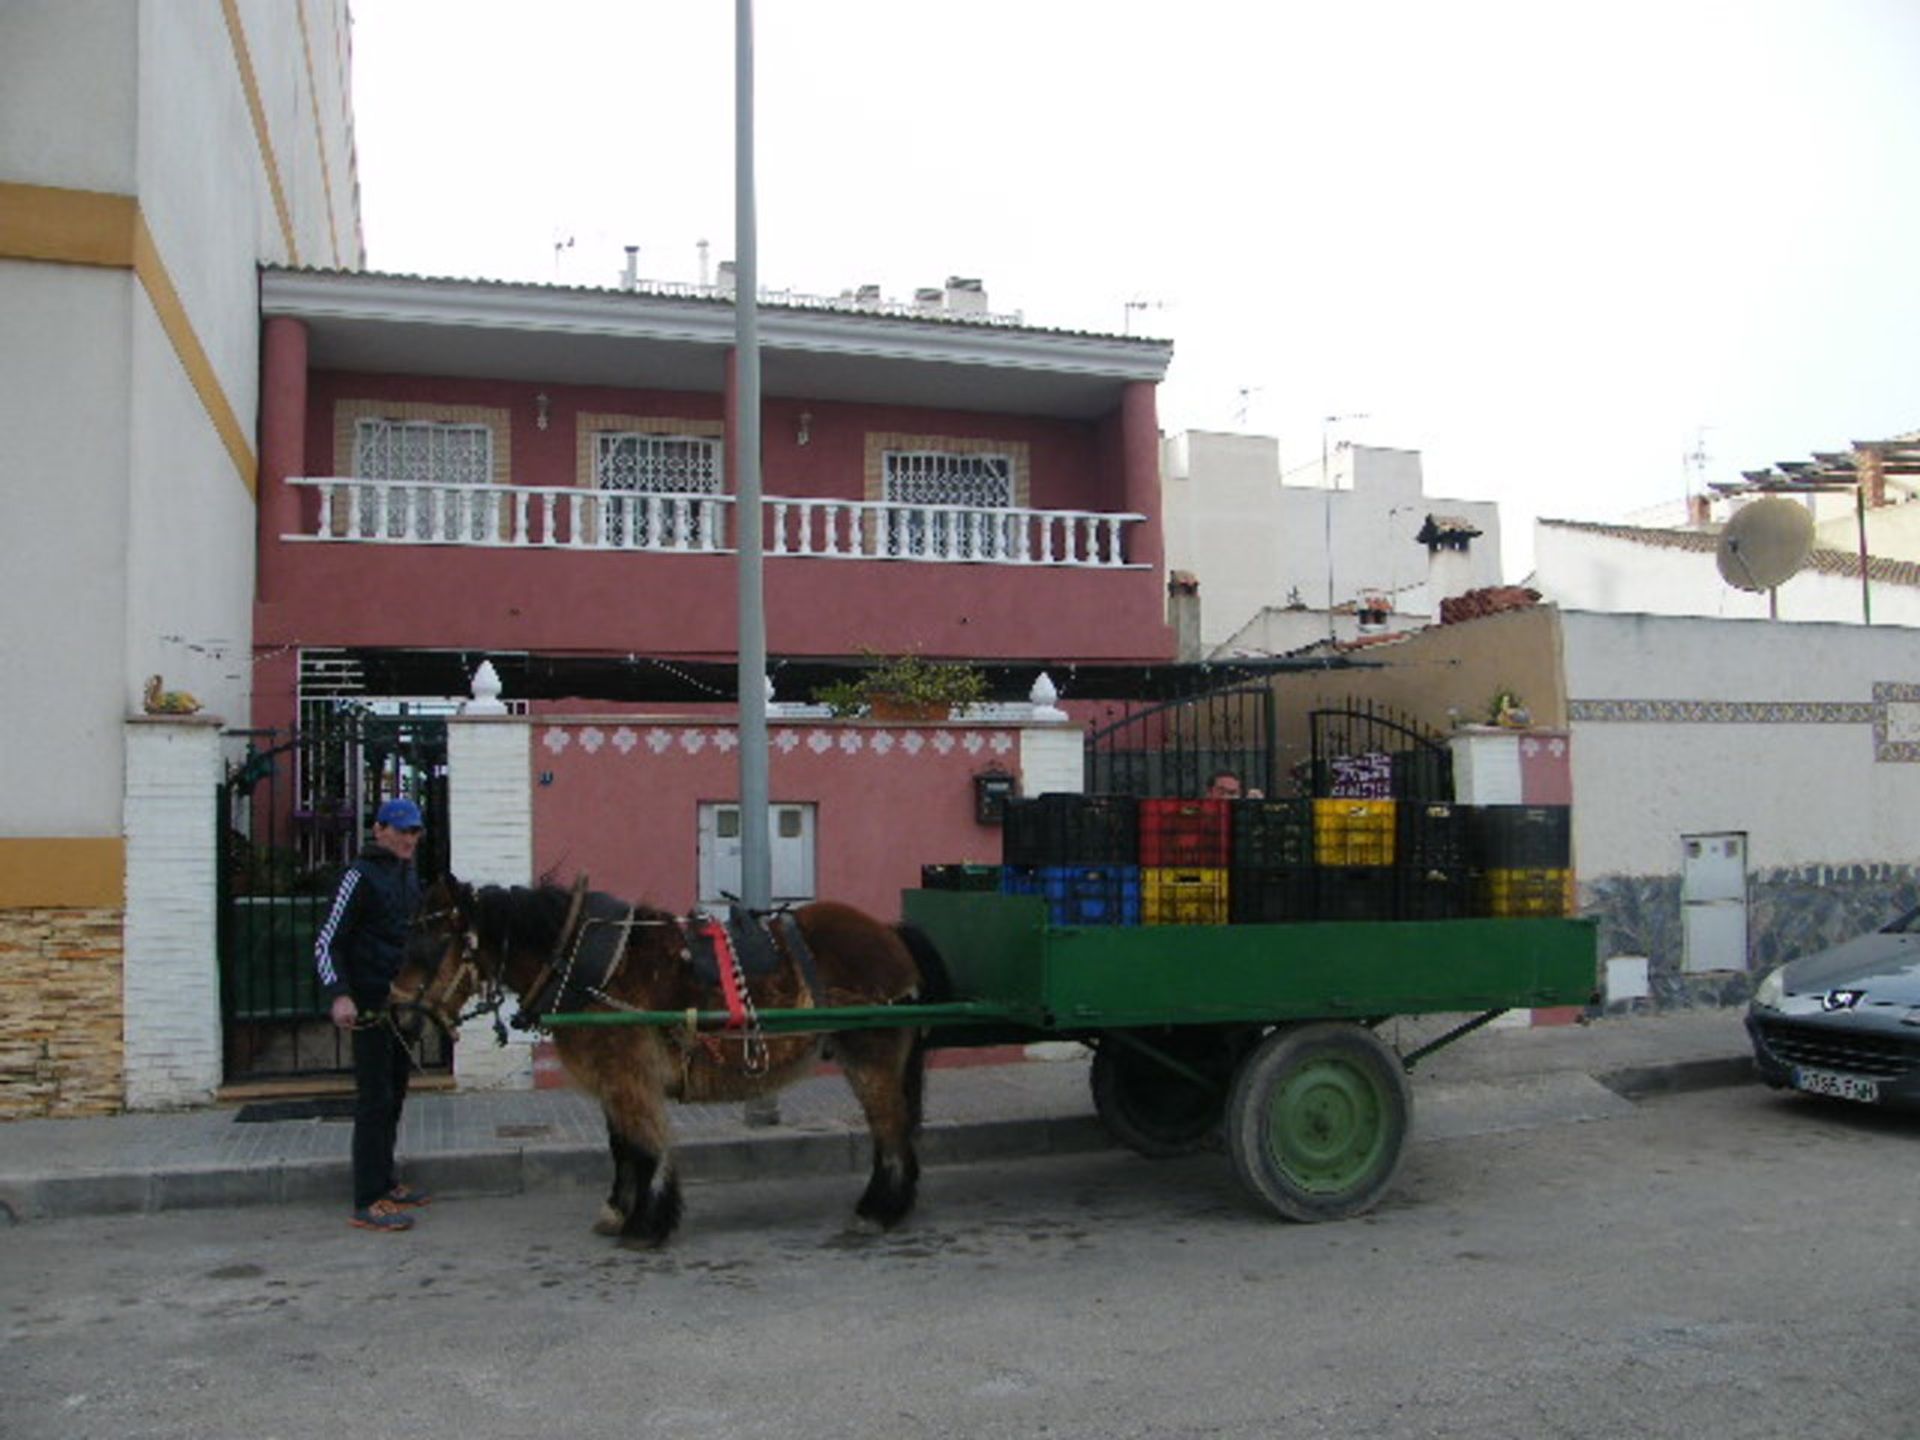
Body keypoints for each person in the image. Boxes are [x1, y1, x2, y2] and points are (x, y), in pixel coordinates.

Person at [316, 796, 430, 1232]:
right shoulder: (358, 877)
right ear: (379, 829)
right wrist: (339, 994)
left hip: (399, 1004)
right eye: (401, 830)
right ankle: (367, 1199)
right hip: (368, 1004)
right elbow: (327, 941)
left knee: (395, 1092)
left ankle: (387, 1182)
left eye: (415, 831)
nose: (408, 838)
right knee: (374, 1099)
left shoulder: (406, 875)